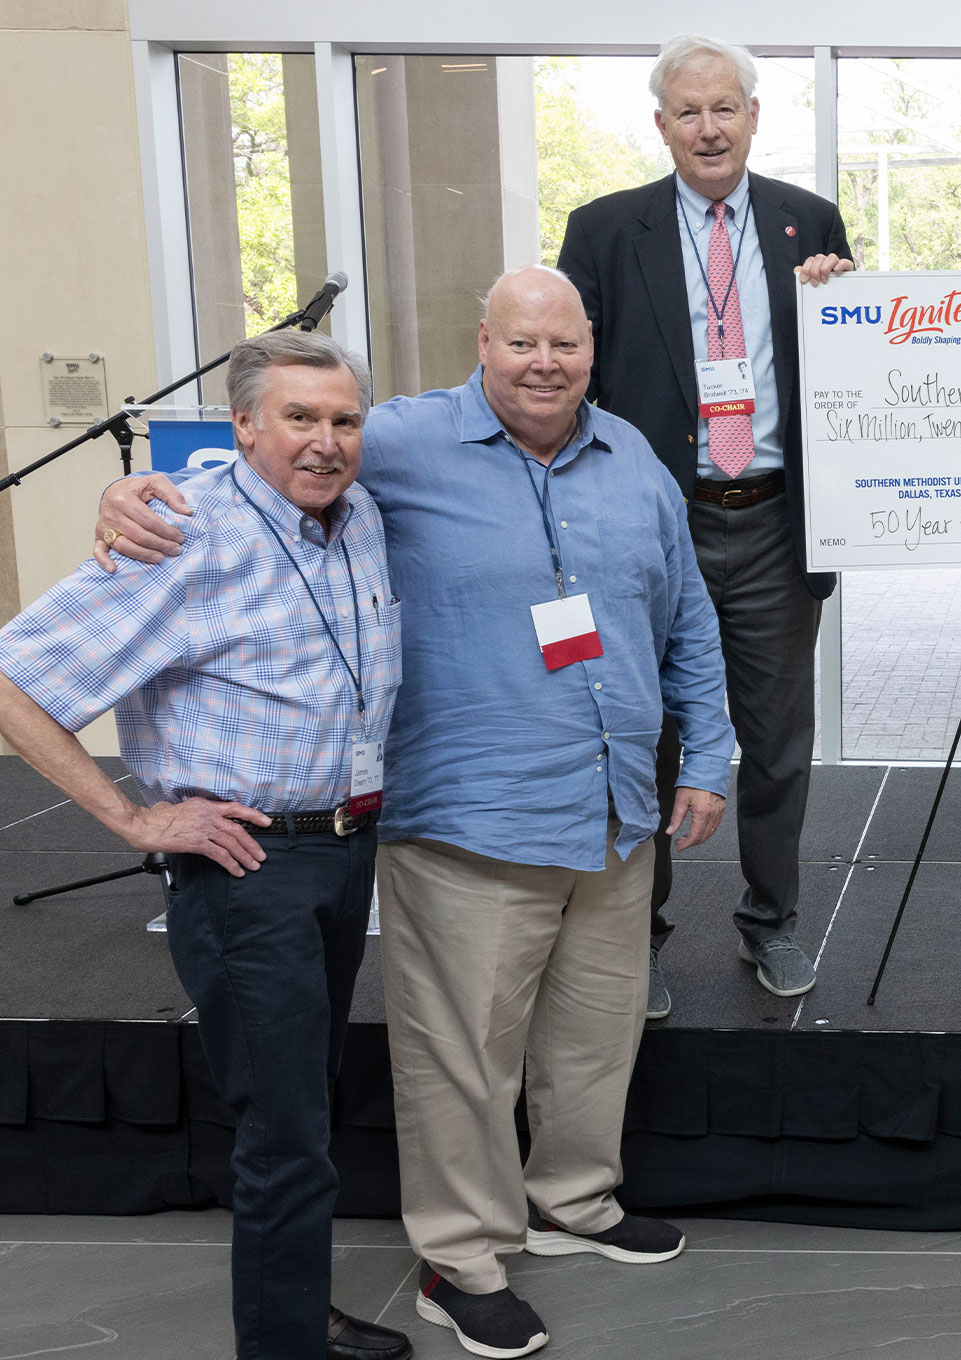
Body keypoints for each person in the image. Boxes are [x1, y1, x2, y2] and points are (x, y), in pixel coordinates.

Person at [92, 268, 737, 1360]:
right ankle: (461, 1255)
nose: (546, 363)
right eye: (523, 342)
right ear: (481, 340)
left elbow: (689, 621)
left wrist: (707, 754)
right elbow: (273, 454)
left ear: (592, 350)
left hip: (616, 808)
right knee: (462, 1056)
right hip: (467, 815)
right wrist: (135, 496)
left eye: (566, 345)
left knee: (592, 1035)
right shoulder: (395, 441)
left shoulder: (634, 460)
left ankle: (573, 1201)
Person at [0, 331, 411, 1360]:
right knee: (281, 1131)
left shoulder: (356, 515)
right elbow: (14, 682)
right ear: (241, 427)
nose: (326, 442)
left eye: (344, 419)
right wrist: (135, 818)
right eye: (299, 419)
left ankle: (294, 1308)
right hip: (246, 869)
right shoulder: (183, 534)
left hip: (345, 849)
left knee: (304, 1106)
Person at [556, 33, 855, 1010]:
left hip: (770, 522)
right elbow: (569, 385)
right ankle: (634, 938)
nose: (709, 126)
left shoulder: (808, 223)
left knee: (774, 741)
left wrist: (848, 306)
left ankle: (773, 924)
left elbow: (850, 371)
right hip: (657, 529)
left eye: (725, 107)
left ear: (755, 116)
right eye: (688, 111)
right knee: (645, 740)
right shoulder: (605, 231)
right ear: (661, 125)